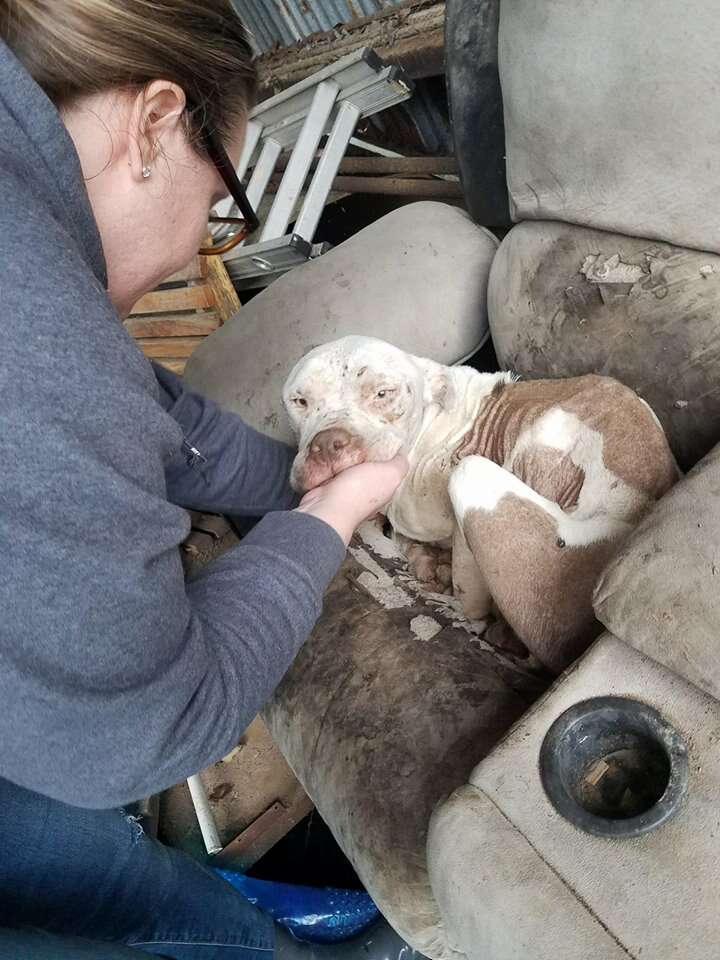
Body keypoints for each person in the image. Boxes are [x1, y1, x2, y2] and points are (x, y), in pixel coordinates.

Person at [0, 1, 414, 957]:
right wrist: (328, 522)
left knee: (88, 861)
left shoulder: (37, 262)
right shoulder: (38, 342)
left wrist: (293, 478)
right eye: (223, 202)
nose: (198, 247)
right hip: (110, 735)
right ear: (152, 124)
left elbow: (155, 415)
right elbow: (151, 727)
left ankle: (249, 937)